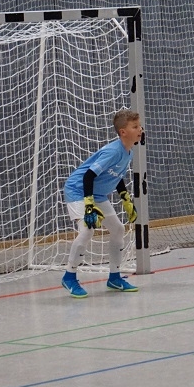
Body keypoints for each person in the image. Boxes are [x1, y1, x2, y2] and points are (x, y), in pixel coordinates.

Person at [60, 109, 143, 298]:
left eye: (139, 126)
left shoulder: (128, 152)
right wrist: (89, 204)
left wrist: (125, 198)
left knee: (118, 229)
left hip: (97, 193)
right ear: (123, 132)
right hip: (78, 190)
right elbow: (88, 175)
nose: (140, 129)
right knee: (87, 230)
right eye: (135, 126)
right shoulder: (113, 151)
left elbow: (117, 176)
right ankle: (69, 276)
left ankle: (114, 277)